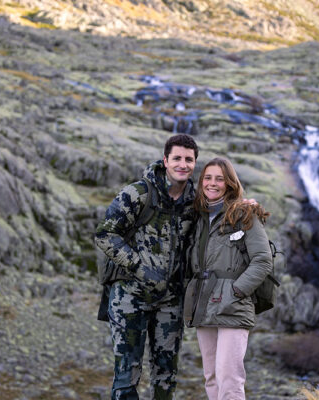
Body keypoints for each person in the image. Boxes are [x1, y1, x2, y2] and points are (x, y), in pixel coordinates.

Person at [94, 134, 198, 399]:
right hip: (130, 297)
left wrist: (246, 206)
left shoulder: (195, 202)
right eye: (177, 158)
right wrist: (141, 268)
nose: (182, 164)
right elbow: (106, 235)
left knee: (166, 377)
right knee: (127, 376)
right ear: (166, 160)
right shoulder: (138, 193)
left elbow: (223, 211)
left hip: (171, 302)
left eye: (189, 159)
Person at [183, 157, 273, 400]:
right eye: (208, 178)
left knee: (229, 377)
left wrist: (237, 291)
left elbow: (263, 260)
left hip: (233, 304)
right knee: (211, 376)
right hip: (203, 304)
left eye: (219, 179)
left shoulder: (244, 214)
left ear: (230, 184)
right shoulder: (199, 217)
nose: (212, 183)